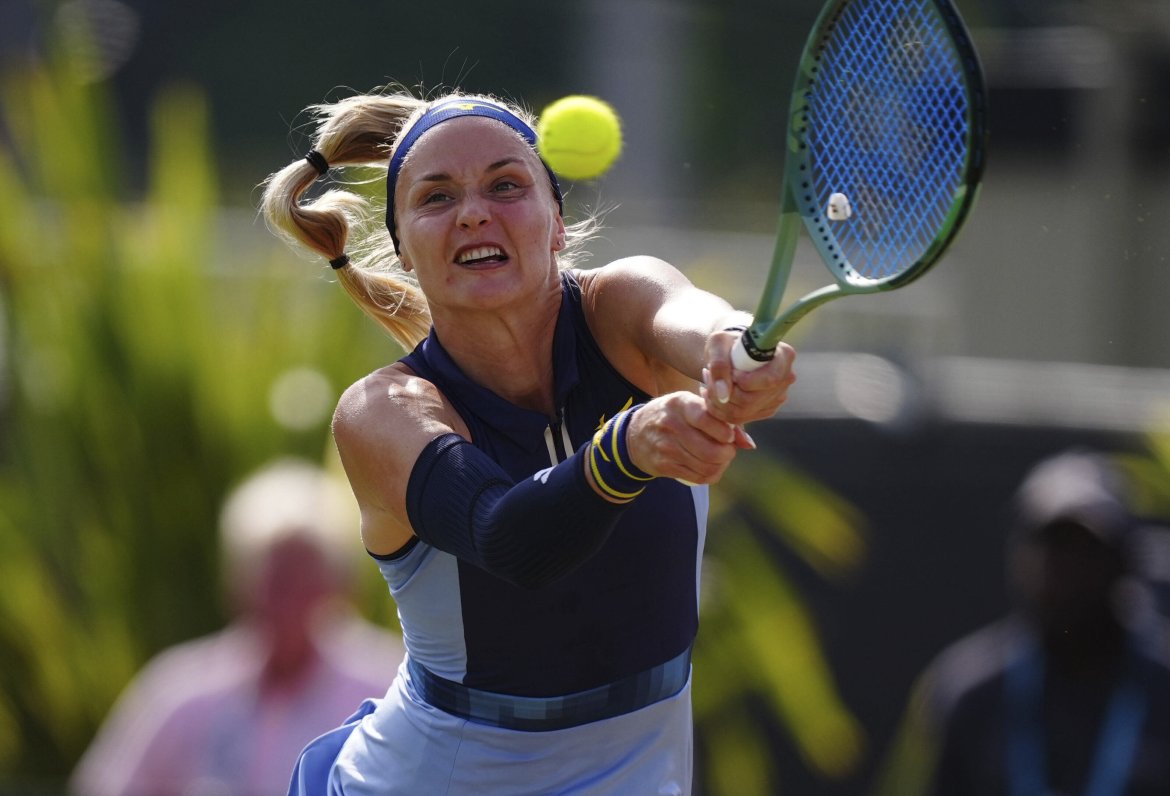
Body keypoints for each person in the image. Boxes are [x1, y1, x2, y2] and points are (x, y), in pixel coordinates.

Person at [259, 89, 797, 794]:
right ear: (403, 249)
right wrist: (626, 448)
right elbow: (509, 538)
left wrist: (735, 349)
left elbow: (696, 317)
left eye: (506, 185)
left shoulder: (622, 305)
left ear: (557, 224)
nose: (475, 212)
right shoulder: (382, 412)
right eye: (437, 198)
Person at [70, 459, 404, 796]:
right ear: (241, 582)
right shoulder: (182, 690)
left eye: (304, 578)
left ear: (338, 585)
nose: (288, 599)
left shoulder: (388, 689)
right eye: (275, 579)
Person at [873, 449, 1170, 796]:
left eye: (1084, 550)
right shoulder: (966, 691)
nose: (1065, 571)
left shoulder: (1161, 686)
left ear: (1123, 561)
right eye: (1052, 547)